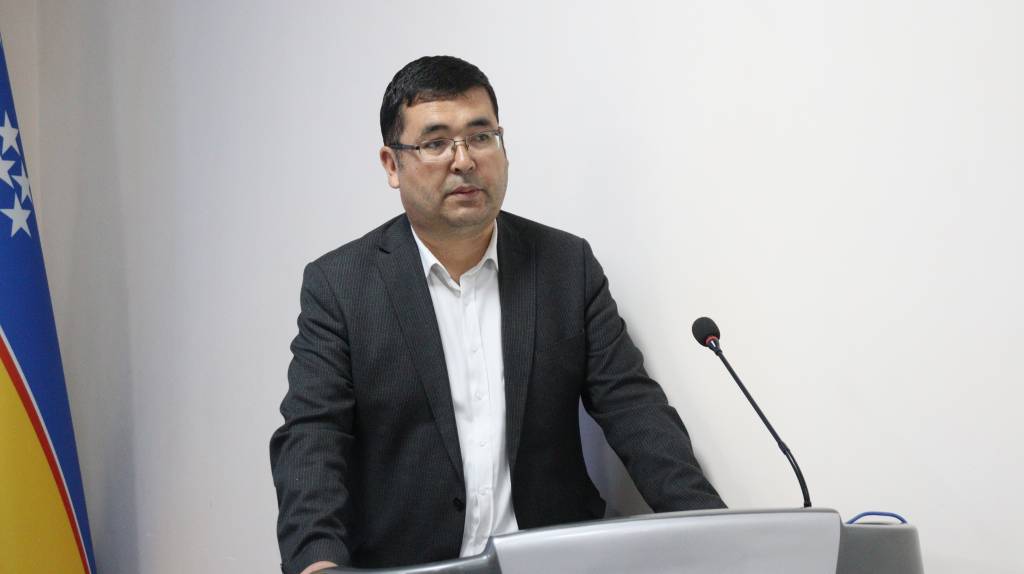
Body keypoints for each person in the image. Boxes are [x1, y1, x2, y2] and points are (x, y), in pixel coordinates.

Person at [270, 55, 725, 574]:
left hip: (552, 562)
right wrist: (317, 561)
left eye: (481, 136)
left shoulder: (566, 266)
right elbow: (313, 437)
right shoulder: (341, 286)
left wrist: (715, 535)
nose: (463, 160)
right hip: (410, 566)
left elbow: (635, 411)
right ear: (392, 165)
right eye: (436, 143)